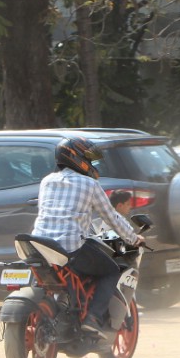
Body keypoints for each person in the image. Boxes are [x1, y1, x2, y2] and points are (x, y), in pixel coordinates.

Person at [32, 136, 144, 337]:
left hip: (40, 245)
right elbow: (111, 217)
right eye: (88, 159)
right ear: (76, 157)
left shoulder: (47, 181)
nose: (91, 164)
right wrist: (133, 238)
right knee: (111, 270)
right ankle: (93, 318)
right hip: (70, 247)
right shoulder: (89, 185)